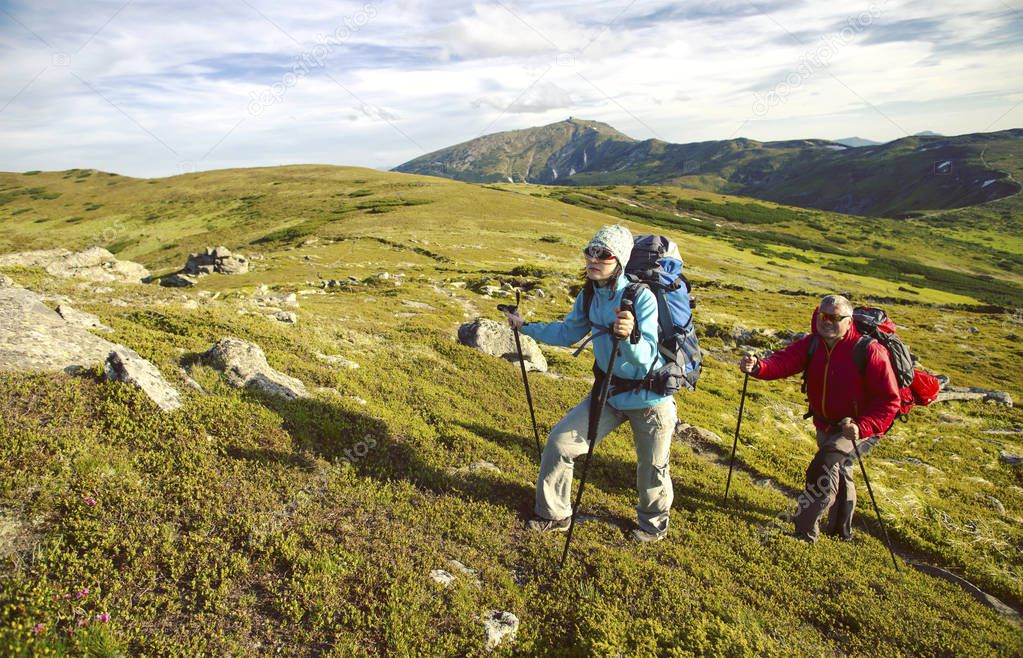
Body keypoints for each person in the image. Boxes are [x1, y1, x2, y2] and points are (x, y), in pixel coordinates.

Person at [504, 225, 677, 543]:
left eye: (604, 254)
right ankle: (554, 515)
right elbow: (568, 333)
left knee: (652, 469)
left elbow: (646, 357)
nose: (594, 259)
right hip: (609, 391)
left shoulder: (641, 298)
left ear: (620, 261)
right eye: (590, 251)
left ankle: (653, 527)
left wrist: (628, 337)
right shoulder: (589, 295)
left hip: (651, 397)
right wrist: (525, 327)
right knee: (559, 443)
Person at [739, 294, 900, 542]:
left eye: (835, 317)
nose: (827, 321)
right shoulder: (813, 344)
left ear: (849, 321)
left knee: (822, 470)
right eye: (823, 316)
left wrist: (862, 426)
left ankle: (804, 533)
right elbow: (784, 362)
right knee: (841, 471)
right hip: (825, 424)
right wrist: (759, 367)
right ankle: (840, 530)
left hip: (858, 429)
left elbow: (889, 401)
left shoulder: (870, 351)